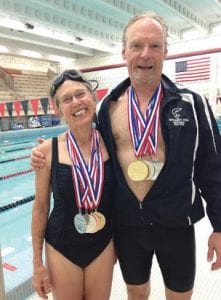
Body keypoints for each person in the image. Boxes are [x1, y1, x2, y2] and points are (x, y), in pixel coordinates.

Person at [31, 12, 221, 300]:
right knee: (136, 293)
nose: (145, 54)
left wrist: (219, 226)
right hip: (129, 226)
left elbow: (213, 169)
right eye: (137, 45)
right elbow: (83, 145)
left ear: (166, 51)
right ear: (124, 51)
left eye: (155, 46)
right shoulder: (108, 108)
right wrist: (45, 151)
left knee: (180, 295)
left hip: (176, 224)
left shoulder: (192, 104)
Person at [31, 69, 115, 300]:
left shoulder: (112, 142)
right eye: (67, 99)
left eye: (81, 94)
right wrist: (38, 264)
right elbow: (40, 207)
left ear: (93, 97)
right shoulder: (47, 151)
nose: (76, 102)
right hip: (62, 246)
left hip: (103, 243)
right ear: (58, 109)